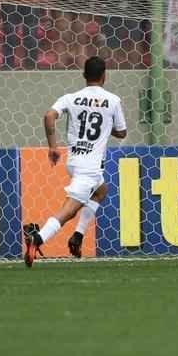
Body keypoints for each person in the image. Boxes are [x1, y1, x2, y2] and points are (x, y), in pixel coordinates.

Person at [24, 56, 128, 265]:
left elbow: (49, 116)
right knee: (69, 210)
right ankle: (37, 238)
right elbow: (122, 132)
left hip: (75, 161)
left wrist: (53, 147)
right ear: (104, 76)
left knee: (101, 191)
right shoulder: (113, 100)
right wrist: (107, 129)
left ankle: (78, 236)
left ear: (84, 75)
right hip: (89, 166)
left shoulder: (71, 98)